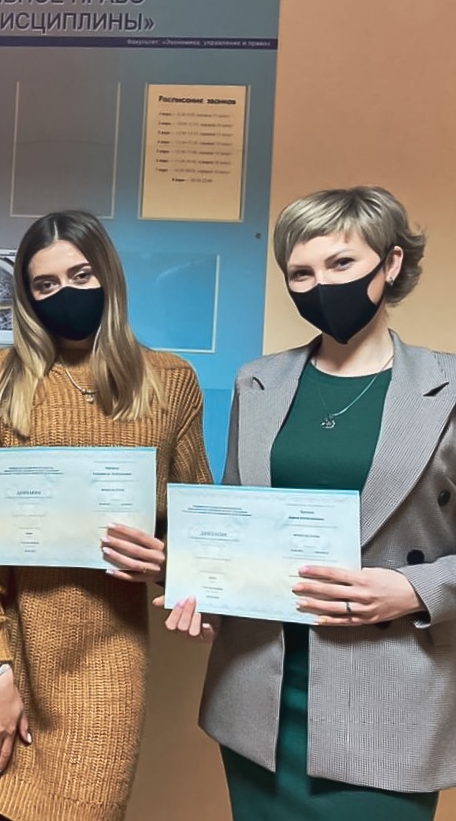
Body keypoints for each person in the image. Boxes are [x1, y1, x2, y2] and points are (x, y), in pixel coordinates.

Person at [162, 186, 456, 820]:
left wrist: (414, 590)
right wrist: (207, 594)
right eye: (301, 272)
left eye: (341, 263)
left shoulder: (450, 387)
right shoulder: (258, 381)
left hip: (389, 694)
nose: (321, 285)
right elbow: (240, 520)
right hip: (259, 695)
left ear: (392, 263)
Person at [0, 210, 212, 821]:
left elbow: (197, 527)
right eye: (46, 284)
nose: (66, 293)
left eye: (81, 275)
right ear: (27, 298)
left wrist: (171, 562)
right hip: (8, 649)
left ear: (108, 274)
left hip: (110, 652)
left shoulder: (169, 381)